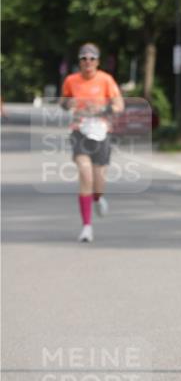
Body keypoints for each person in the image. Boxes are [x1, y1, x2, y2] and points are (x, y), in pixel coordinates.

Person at [60, 43, 124, 243]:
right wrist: (67, 103)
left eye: (92, 58)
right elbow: (63, 101)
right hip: (79, 131)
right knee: (85, 176)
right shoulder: (71, 80)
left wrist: (104, 109)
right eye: (84, 58)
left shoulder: (106, 79)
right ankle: (87, 227)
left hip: (101, 132)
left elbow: (119, 104)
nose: (88, 62)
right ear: (79, 61)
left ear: (98, 61)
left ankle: (98, 197)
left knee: (98, 183)